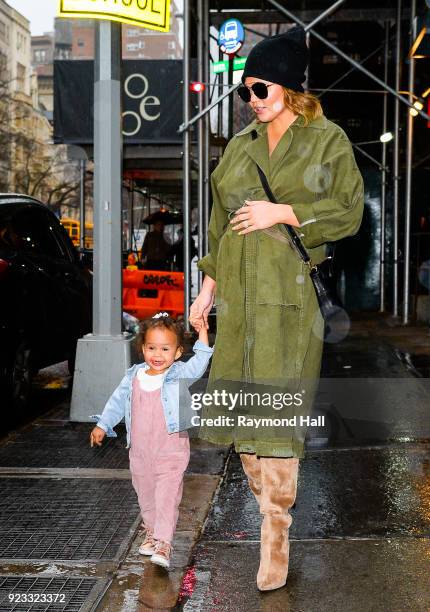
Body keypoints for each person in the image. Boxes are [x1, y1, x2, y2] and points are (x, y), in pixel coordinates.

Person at [189, 26, 364, 591]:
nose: (251, 100)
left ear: (289, 87)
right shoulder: (238, 149)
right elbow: (218, 226)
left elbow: (348, 210)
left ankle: (275, 533)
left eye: (260, 89)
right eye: (245, 91)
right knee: (241, 420)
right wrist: (206, 291)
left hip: (289, 304)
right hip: (238, 304)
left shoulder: (325, 139)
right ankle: (271, 509)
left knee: (277, 421)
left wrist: (283, 211)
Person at [89, 312, 213, 569]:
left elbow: (200, 362)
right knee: (145, 495)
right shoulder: (133, 376)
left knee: (166, 496)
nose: (158, 354)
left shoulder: (179, 374)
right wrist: (103, 424)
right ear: (142, 349)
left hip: (171, 450)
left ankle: (164, 543)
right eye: (151, 348)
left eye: (165, 349)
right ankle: (152, 532)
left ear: (178, 352)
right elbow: (116, 402)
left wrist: (203, 331)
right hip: (140, 451)